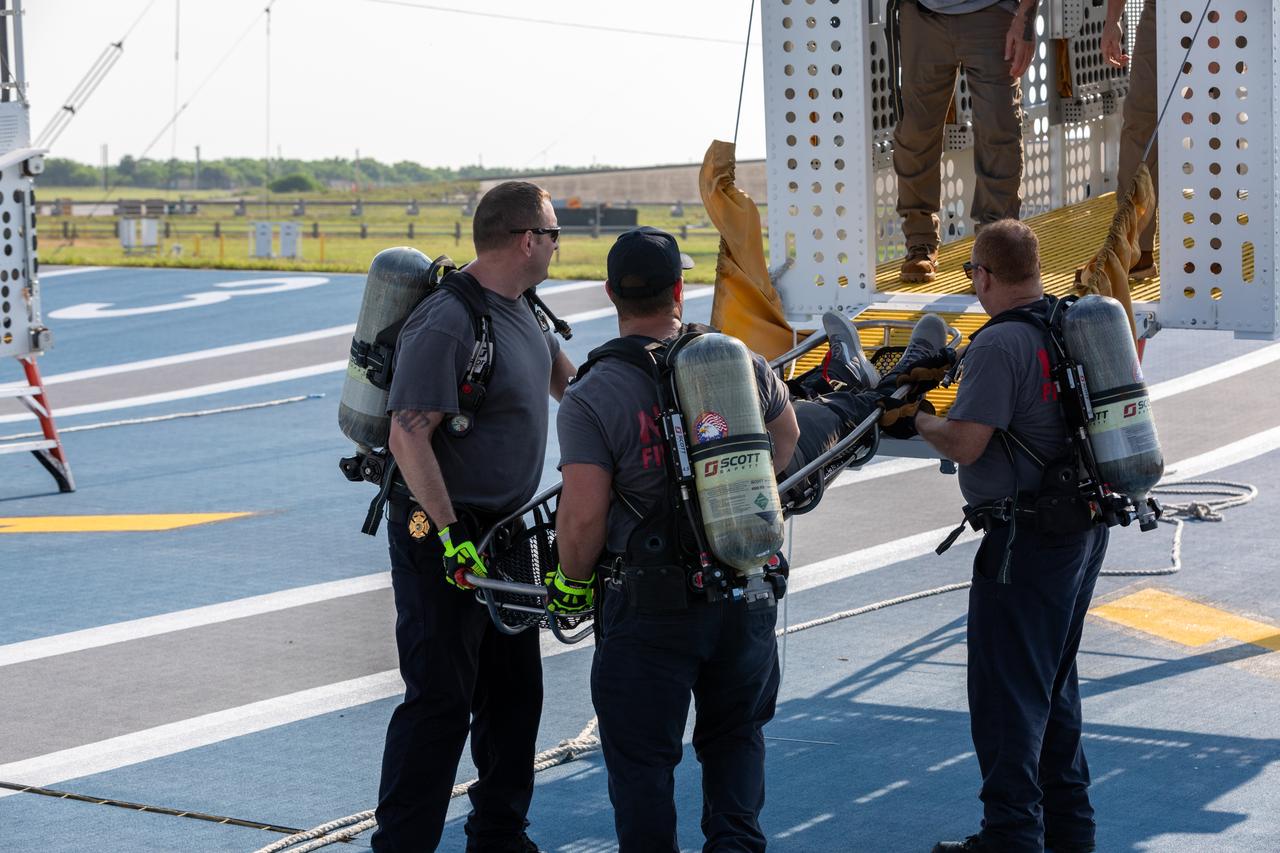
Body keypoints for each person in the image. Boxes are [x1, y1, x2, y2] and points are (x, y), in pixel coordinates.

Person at [547, 227, 948, 852]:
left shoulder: (591, 392)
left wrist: (570, 585)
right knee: (734, 742)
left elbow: (582, 518)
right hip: (743, 586)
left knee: (643, 765)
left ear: (610, 294)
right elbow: (784, 447)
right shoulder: (733, 362)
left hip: (648, 611)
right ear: (680, 290)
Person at [372, 181, 576, 853]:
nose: (554, 245)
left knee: (515, 697)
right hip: (447, 538)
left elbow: (574, 389)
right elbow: (409, 434)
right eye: (551, 234)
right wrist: (454, 535)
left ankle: (499, 835)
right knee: (439, 700)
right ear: (526, 240)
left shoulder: (525, 313)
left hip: (508, 537)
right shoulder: (450, 318)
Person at [909, 219, 1107, 853]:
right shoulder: (1068, 323)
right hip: (1081, 527)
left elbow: (967, 442)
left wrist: (915, 419)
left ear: (985, 276)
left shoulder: (999, 345)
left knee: (1007, 698)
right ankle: (1071, 832)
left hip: (1024, 539)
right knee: (1053, 687)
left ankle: (1011, 837)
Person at [894, 0, 1039, 283]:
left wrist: (1026, 18)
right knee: (915, 133)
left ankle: (994, 253)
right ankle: (920, 242)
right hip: (922, 15)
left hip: (994, 12)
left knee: (999, 130)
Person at [1105, 0, 1159, 279]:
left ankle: (1215, 250)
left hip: (1226, 12)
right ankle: (1135, 251)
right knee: (1139, 123)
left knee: (1215, 124)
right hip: (1161, 11)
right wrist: (1113, 19)